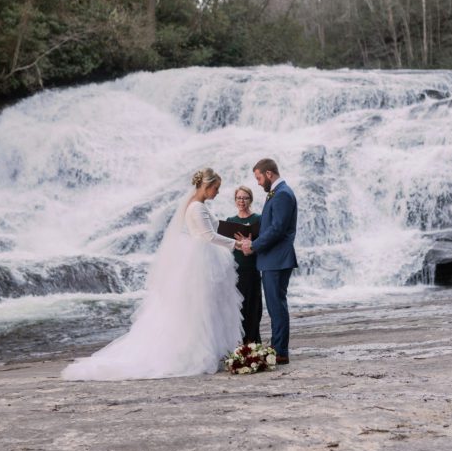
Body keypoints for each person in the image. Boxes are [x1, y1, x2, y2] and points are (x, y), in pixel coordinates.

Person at [62, 168, 243, 380]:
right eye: (216, 188)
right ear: (206, 186)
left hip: (202, 258)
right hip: (201, 260)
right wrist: (237, 244)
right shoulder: (196, 208)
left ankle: (210, 350)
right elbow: (207, 235)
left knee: (205, 307)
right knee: (199, 308)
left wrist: (240, 230)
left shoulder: (198, 205)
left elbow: (216, 226)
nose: (218, 192)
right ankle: (198, 352)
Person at [239, 158, 297, 365]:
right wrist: (250, 240)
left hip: (277, 260)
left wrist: (253, 246)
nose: (258, 182)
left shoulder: (282, 194)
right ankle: (277, 347)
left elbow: (277, 229)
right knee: (275, 306)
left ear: (269, 174)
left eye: (259, 177)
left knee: (277, 306)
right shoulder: (277, 193)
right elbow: (269, 227)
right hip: (273, 260)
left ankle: (280, 351)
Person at [227, 186, 262, 345]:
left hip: (253, 269)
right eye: (239, 198)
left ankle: (253, 342)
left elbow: (264, 244)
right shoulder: (230, 222)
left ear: (251, 200)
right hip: (235, 271)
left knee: (253, 307)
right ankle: (238, 345)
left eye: (245, 198)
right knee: (237, 308)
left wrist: (251, 248)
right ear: (235, 200)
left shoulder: (258, 219)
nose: (242, 201)